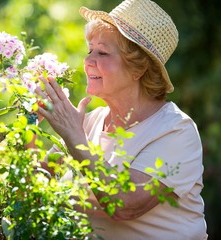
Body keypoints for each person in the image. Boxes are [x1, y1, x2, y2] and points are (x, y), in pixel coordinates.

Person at [35, 0, 208, 239]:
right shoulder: (88, 122)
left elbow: (125, 204)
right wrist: (30, 123)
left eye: (102, 52)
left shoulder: (176, 131)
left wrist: (75, 138)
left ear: (138, 69)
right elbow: (32, 188)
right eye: (90, 50)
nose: (87, 61)